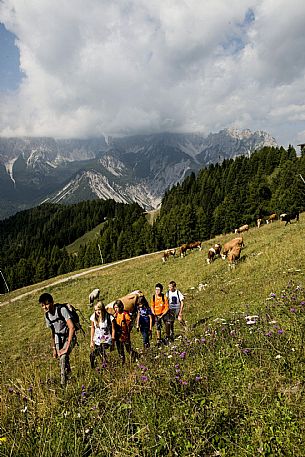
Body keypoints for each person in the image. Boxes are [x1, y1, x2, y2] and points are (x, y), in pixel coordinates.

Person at [39, 292, 76, 387]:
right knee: (62, 358)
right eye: (42, 305)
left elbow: (72, 327)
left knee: (63, 357)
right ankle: (70, 378)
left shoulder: (62, 310)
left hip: (69, 336)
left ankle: (63, 382)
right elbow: (52, 332)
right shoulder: (47, 316)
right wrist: (54, 348)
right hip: (58, 338)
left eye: (46, 304)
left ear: (52, 302)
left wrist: (67, 346)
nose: (45, 307)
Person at [90, 301, 115, 369]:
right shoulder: (93, 317)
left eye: (99, 309)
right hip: (97, 339)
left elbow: (113, 329)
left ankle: (105, 366)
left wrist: (113, 342)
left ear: (102, 309)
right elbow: (92, 328)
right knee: (95, 355)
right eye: (95, 310)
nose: (97, 312)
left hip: (106, 339)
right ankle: (96, 368)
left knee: (102, 350)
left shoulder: (109, 317)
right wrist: (91, 341)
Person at [113, 299, 133, 364]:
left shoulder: (124, 314)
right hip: (118, 334)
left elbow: (129, 322)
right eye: (115, 307)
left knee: (128, 348)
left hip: (124, 334)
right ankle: (122, 361)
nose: (115, 309)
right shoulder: (115, 315)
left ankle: (133, 357)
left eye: (117, 307)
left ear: (121, 307)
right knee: (120, 349)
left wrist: (127, 330)